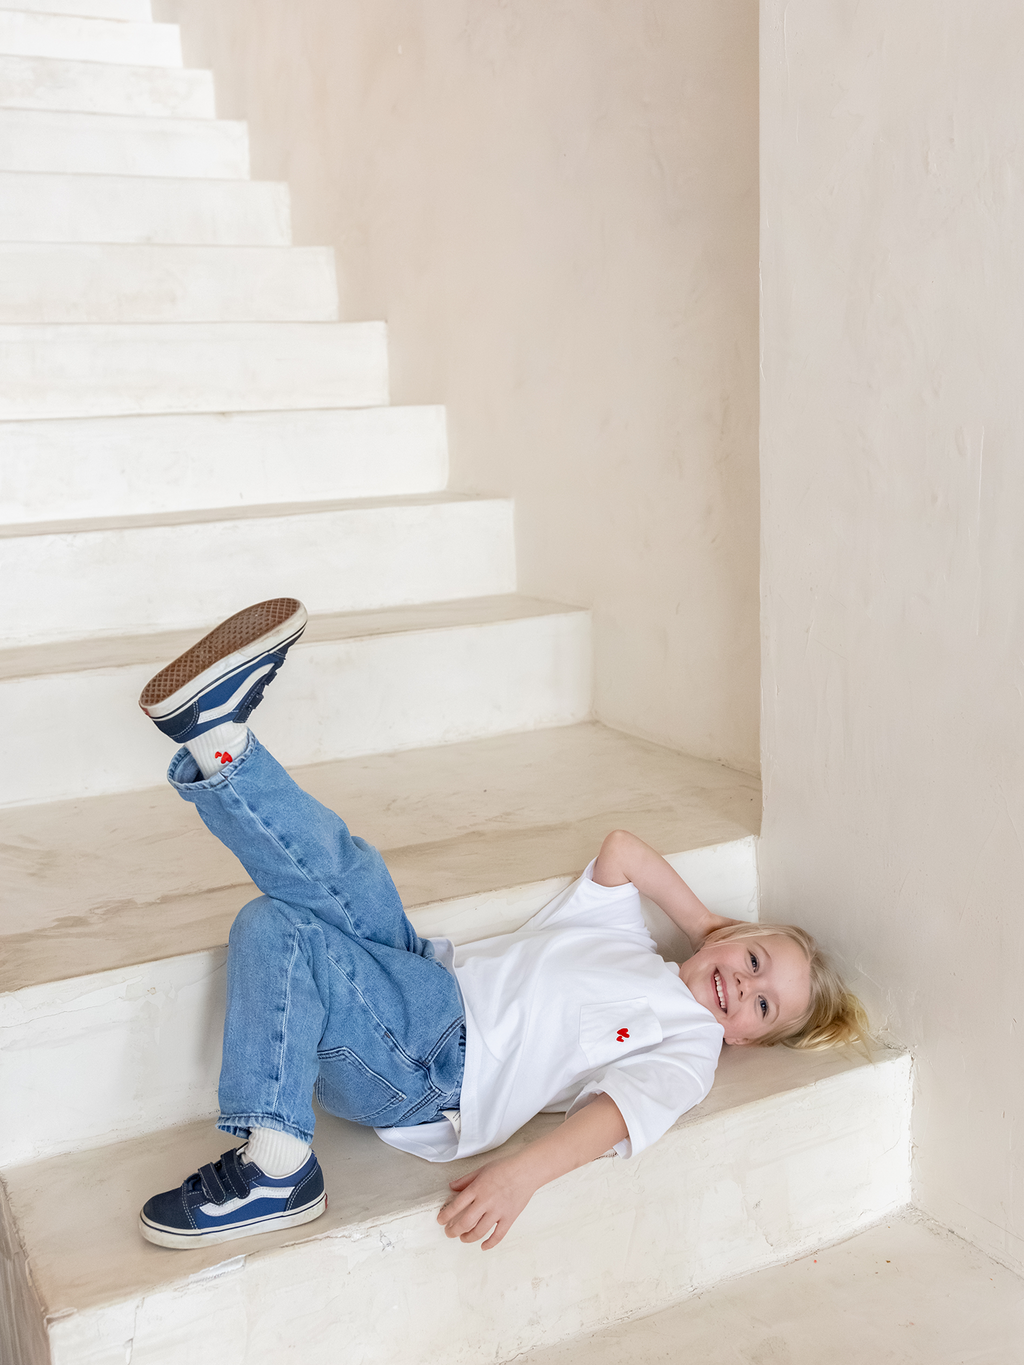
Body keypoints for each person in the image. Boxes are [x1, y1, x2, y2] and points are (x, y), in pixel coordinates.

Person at [136, 599, 867, 1252]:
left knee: (278, 928)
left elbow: (615, 1116)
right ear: (735, 936)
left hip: (429, 1066)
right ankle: (217, 739)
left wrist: (522, 1175)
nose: (742, 987)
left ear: (745, 1038)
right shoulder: (625, 938)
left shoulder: (689, 1044)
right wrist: (705, 920)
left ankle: (276, 1169)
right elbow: (622, 851)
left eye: (762, 1005)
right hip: (421, 978)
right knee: (352, 872)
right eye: (754, 960)